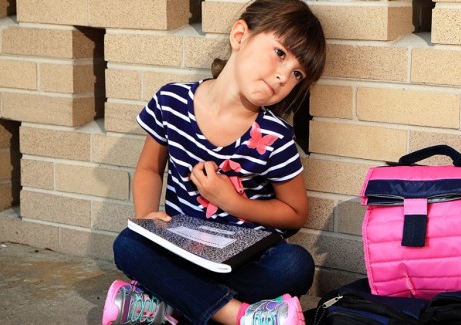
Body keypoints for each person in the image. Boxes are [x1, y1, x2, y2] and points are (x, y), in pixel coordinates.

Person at [101, 0, 326, 323]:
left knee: (295, 264)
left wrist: (230, 201)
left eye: (296, 73)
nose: (282, 77)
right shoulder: (172, 102)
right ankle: (239, 316)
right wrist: (147, 219)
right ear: (239, 36)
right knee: (129, 245)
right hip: (181, 249)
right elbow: (150, 169)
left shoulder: (275, 136)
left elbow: (294, 215)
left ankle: (168, 304)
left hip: (245, 261)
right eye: (279, 53)